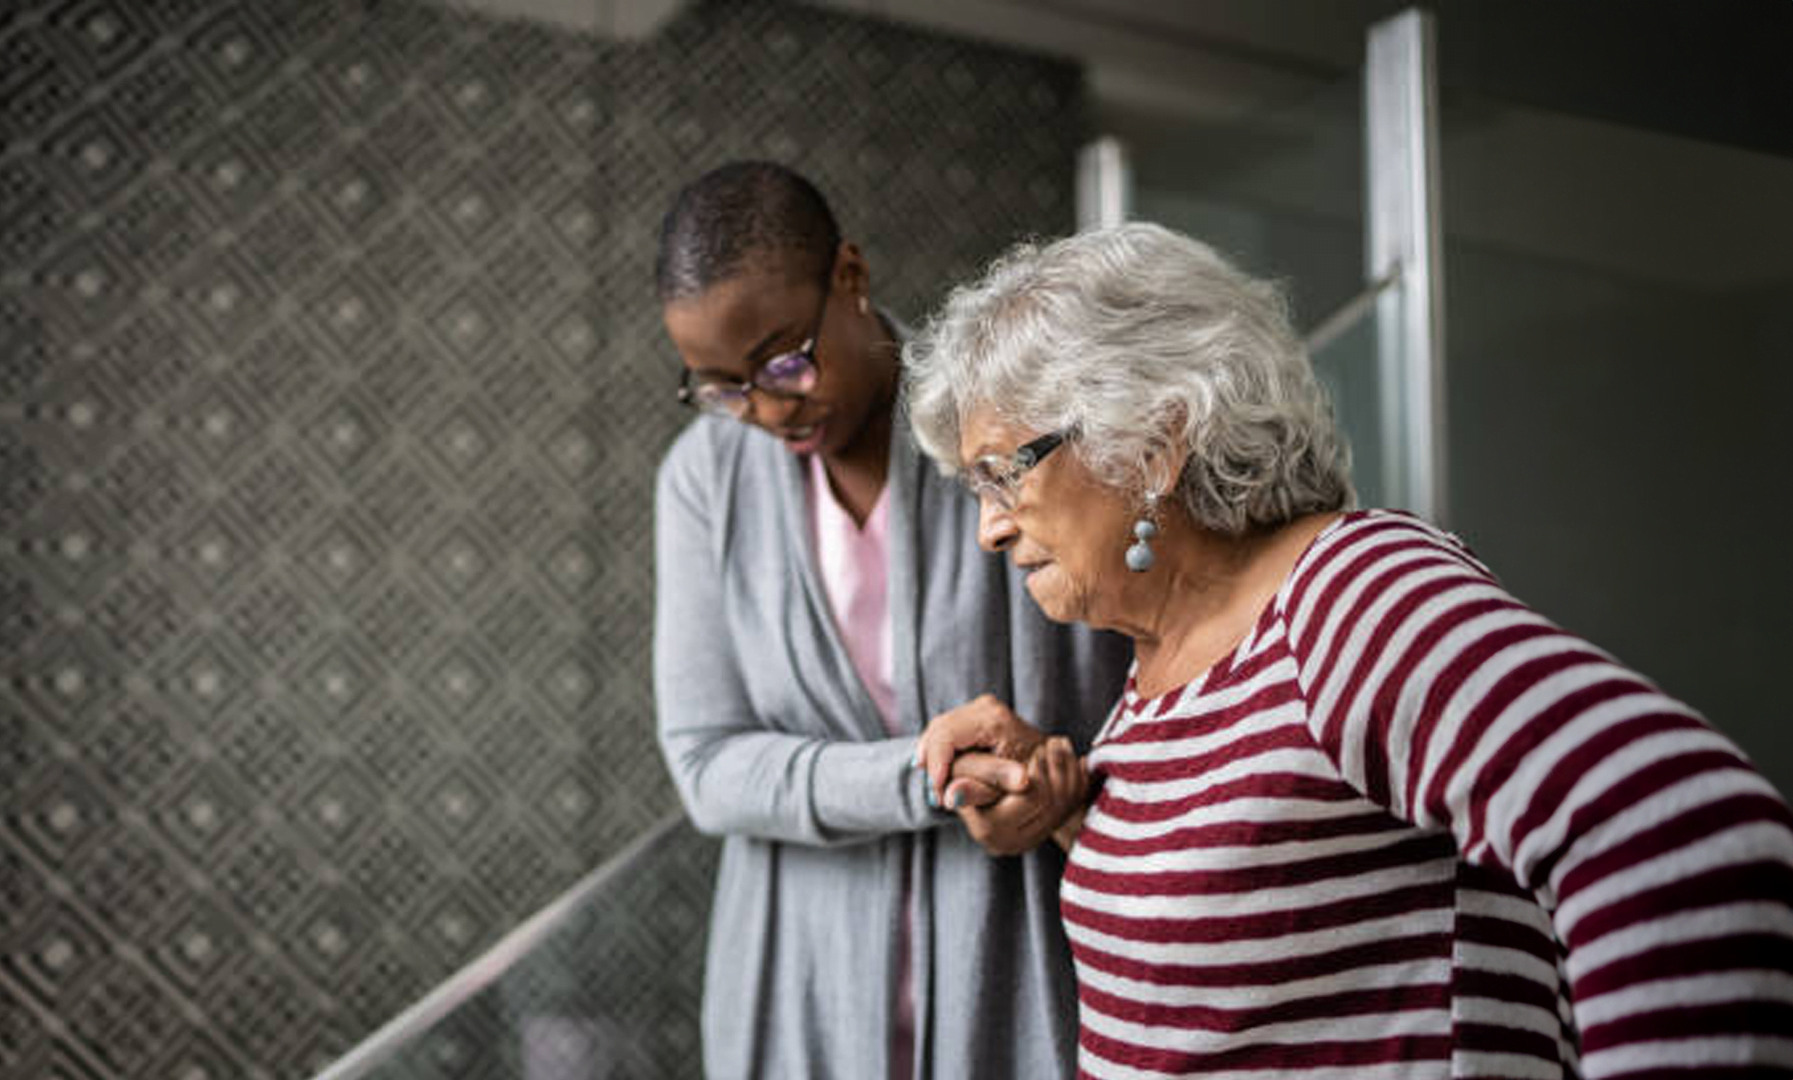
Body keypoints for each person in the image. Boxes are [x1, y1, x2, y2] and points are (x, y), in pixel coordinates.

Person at [904, 221, 1793, 1077]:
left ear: (1153, 443)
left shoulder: (1347, 595)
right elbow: (1275, 919)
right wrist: (1066, 811)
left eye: (1003, 473)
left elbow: (1680, 829)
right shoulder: (1162, 664)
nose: (987, 528)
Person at [651, 161, 1131, 1079]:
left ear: (850, 277)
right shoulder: (702, 481)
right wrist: (929, 778)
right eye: (718, 386)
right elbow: (709, 765)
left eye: (783, 360)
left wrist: (1056, 786)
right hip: (796, 973)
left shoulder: (1005, 425)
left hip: (1025, 948)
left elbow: (1136, 677)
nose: (763, 408)